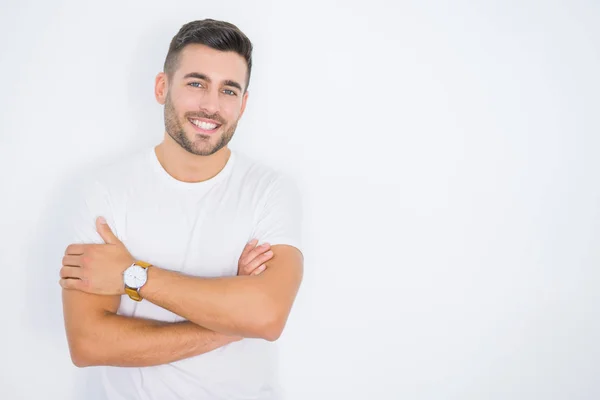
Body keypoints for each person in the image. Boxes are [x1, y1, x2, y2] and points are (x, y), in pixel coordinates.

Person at [59, 18, 304, 400]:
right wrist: (235, 320)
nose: (211, 105)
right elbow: (89, 344)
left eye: (228, 90)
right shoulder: (104, 191)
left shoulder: (269, 191)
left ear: (243, 104)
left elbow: (268, 317)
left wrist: (130, 274)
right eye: (196, 83)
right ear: (162, 87)